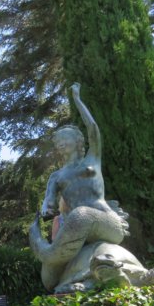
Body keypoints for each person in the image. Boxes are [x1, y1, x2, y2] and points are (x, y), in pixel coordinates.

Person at [30, 83, 129, 291]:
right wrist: (47, 206)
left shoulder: (92, 159)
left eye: (64, 138)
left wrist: (77, 100)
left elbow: (93, 129)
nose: (60, 143)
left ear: (77, 141)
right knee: (48, 278)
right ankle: (73, 279)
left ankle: (44, 250)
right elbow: (48, 203)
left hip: (105, 221)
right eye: (57, 141)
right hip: (77, 228)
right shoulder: (56, 177)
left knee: (82, 214)